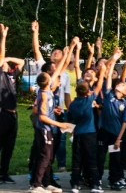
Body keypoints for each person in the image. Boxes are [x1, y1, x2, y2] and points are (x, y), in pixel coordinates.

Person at [30, 47, 71, 193]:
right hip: (44, 130)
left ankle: (46, 183)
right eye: (52, 77)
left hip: (48, 130)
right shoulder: (45, 94)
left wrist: (66, 54)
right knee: (44, 157)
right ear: (47, 80)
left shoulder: (47, 91)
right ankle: (36, 185)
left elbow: (59, 69)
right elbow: (41, 116)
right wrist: (60, 123)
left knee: (48, 157)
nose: (56, 77)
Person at [68, 62, 106, 193]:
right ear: (87, 92)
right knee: (92, 159)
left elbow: (69, 120)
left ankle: (74, 184)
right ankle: (95, 184)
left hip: (77, 133)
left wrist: (71, 133)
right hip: (90, 133)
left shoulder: (72, 104)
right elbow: (100, 85)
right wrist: (102, 72)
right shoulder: (89, 99)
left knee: (77, 159)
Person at [96, 50, 126, 191]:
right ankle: (96, 180)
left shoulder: (124, 104)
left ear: (125, 92)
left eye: (123, 85)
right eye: (120, 84)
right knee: (100, 157)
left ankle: (114, 180)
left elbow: (124, 123)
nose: (120, 84)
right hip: (103, 131)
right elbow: (108, 75)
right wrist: (114, 59)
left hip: (115, 135)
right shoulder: (109, 95)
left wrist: (118, 139)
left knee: (115, 159)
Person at [0, 24, 23, 184]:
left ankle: (4, 173)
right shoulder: (0, 74)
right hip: (2, 114)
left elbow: (21, 62)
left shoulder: (12, 74)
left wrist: (8, 58)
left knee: (9, 146)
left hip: (14, 115)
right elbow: (1, 57)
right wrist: (3, 37)